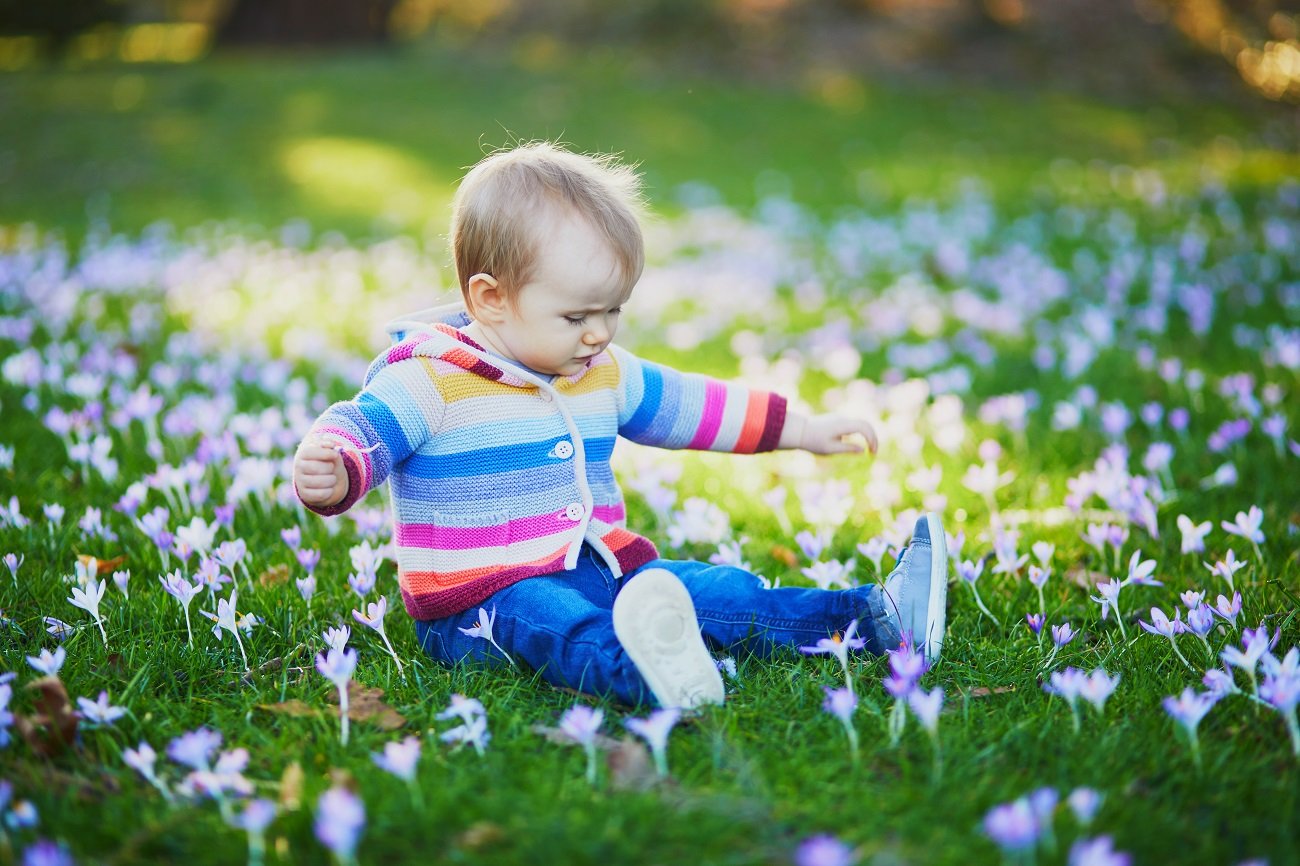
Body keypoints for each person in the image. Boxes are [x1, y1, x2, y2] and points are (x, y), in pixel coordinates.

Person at [292, 142, 948, 709]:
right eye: (577, 316)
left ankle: (875, 617)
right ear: (491, 298)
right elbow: (367, 426)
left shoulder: (602, 368)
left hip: (601, 567)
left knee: (718, 591)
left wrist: (798, 428)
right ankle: (644, 672)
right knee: (551, 621)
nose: (599, 332)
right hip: (477, 603)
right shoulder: (430, 378)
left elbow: (693, 406)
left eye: (613, 311)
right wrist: (337, 462)